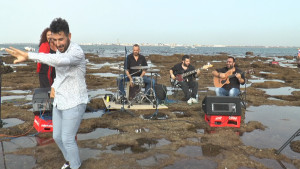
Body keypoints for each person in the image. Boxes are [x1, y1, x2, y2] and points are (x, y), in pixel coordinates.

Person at [6, 18, 88, 169]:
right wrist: (54, 87)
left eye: (61, 39)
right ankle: (70, 160)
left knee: (68, 139)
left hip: (75, 102)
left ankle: (75, 165)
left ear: (69, 36)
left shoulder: (77, 52)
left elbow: (59, 61)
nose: (58, 43)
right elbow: (62, 74)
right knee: (57, 137)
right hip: (59, 101)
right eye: (54, 40)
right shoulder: (59, 49)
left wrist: (29, 56)